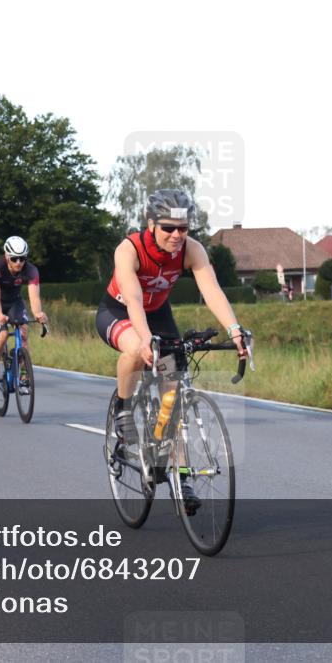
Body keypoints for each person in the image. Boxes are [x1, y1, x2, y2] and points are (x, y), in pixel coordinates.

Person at [95, 189, 248, 514]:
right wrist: (147, 338)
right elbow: (134, 299)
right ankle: (124, 412)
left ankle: (180, 476)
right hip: (119, 312)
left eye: (184, 228)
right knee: (137, 349)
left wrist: (235, 330)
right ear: (151, 224)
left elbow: (212, 290)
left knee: (173, 392)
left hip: (159, 316)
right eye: (169, 228)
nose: (177, 235)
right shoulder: (130, 249)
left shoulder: (192, 250)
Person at [0, 237, 48, 394]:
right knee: (3, 334)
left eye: (22, 258)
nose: (18, 262)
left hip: (14, 301)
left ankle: (24, 377)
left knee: (24, 332)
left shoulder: (31, 270)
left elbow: (34, 297)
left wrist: (38, 313)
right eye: (14, 258)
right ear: (7, 256)